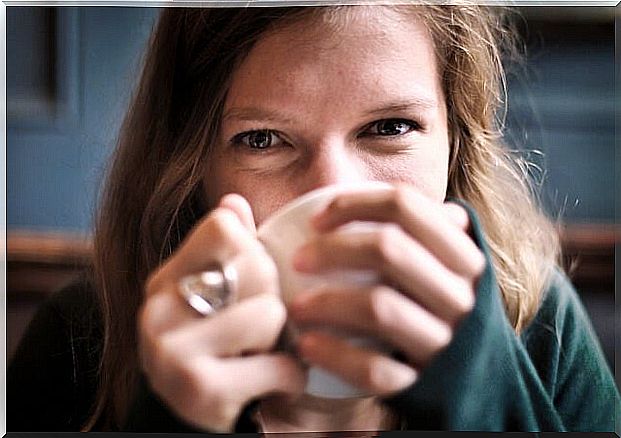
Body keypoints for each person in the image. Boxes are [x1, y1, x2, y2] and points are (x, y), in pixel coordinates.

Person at [8, 4, 620, 433]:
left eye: (390, 128)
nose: (333, 193)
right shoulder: (82, 335)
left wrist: (484, 397)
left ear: (456, 143)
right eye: (263, 139)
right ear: (194, 166)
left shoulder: (539, 324)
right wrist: (173, 418)